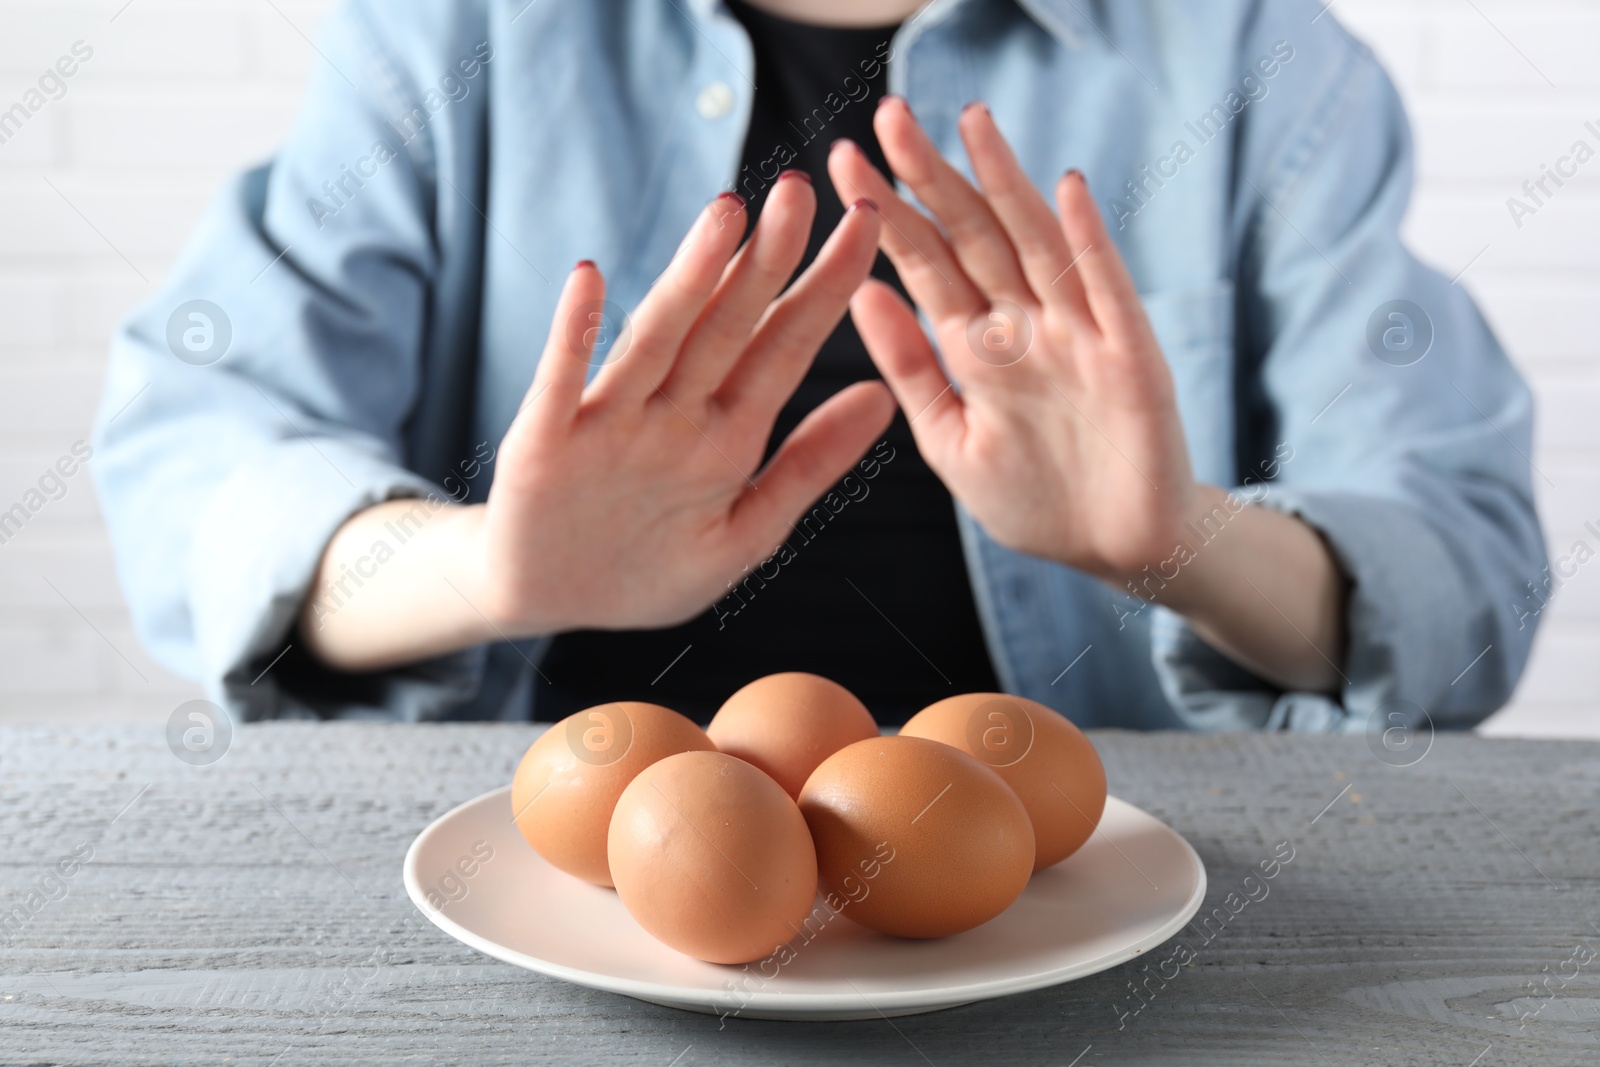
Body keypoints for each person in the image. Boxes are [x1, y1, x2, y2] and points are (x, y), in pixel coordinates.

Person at [92, 0, 1544, 731]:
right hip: (544, 917)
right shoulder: (454, 34)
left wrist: (1180, 544)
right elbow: (200, 456)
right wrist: (494, 569)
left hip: (1099, 941)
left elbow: (1464, 565)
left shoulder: (1252, 54)